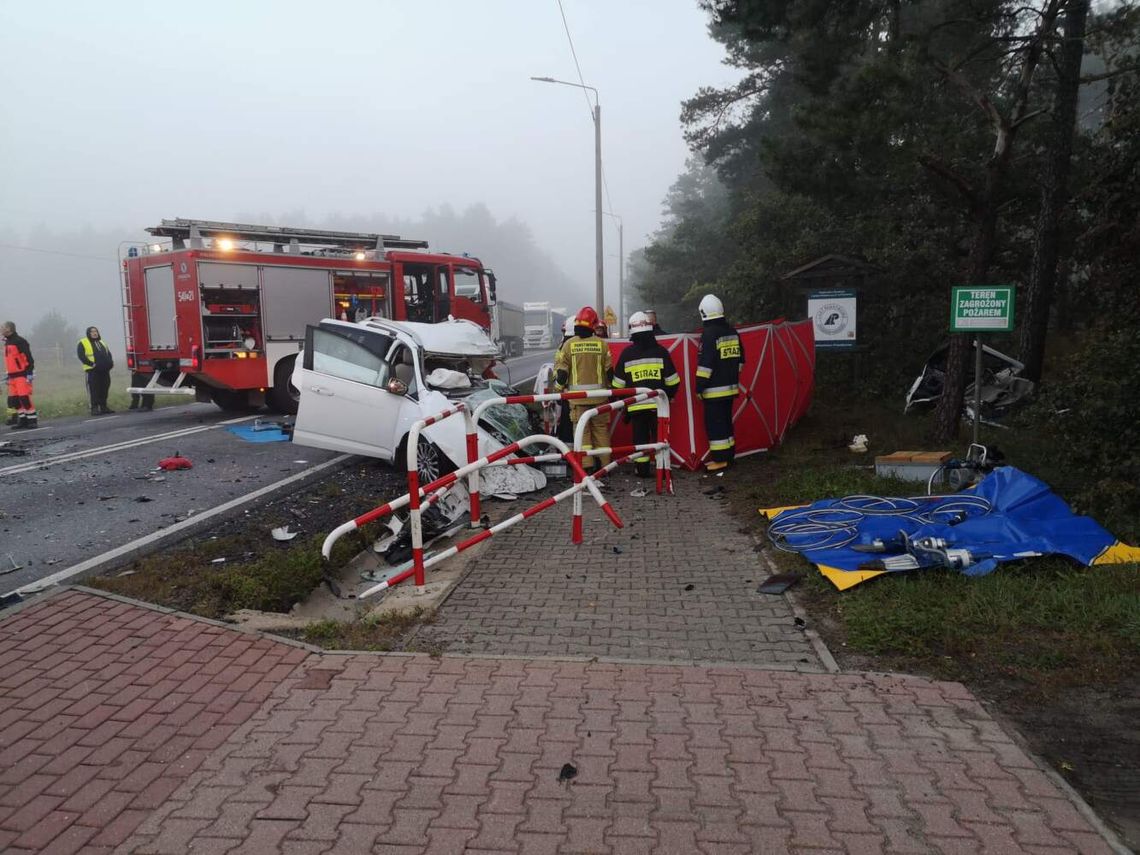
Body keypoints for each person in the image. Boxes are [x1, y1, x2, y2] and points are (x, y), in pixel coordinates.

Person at [612, 311, 680, 477]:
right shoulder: (661, 352)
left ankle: (642, 471)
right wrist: (668, 396)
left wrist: (624, 403)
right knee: (660, 440)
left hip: (637, 407)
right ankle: (662, 470)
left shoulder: (627, 354)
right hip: (659, 407)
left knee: (640, 441)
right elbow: (673, 381)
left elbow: (617, 385)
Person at [554, 306, 613, 474]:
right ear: (593, 325)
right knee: (601, 431)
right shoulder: (602, 344)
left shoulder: (569, 345)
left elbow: (562, 374)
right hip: (600, 398)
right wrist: (613, 392)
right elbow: (609, 371)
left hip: (577, 399)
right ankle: (605, 465)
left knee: (582, 432)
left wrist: (558, 391)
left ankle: (586, 467)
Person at [694, 294, 744, 472]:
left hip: (713, 391)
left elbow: (706, 364)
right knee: (726, 423)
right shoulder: (732, 331)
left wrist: (699, 386)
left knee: (715, 425)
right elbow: (740, 361)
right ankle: (729, 456)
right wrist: (730, 377)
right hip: (730, 389)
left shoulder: (709, 334)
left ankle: (721, 460)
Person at [3, 321, 37, 430]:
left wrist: (29, 372)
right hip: (12, 376)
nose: (0, 330)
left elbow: (27, 356)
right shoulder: (7, 342)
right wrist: (8, 374)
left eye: (2, 328)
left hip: (22, 374)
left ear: (9, 329)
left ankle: (32, 420)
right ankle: (22, 420)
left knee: (24, 398)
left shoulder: (19, 341)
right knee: (14, 400)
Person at [77, 326, 115, 415]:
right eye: (92, 332)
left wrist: (110, 363)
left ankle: (103, 407)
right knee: (94, 390)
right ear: (88, 333)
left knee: (104, 389)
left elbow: (108, 353)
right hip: (92, 371)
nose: (94, 333)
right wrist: (92, 364)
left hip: (105, 370)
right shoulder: (83, 342)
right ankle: (94, 408)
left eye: (96, 331)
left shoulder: (102, 342)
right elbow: (81, 356)